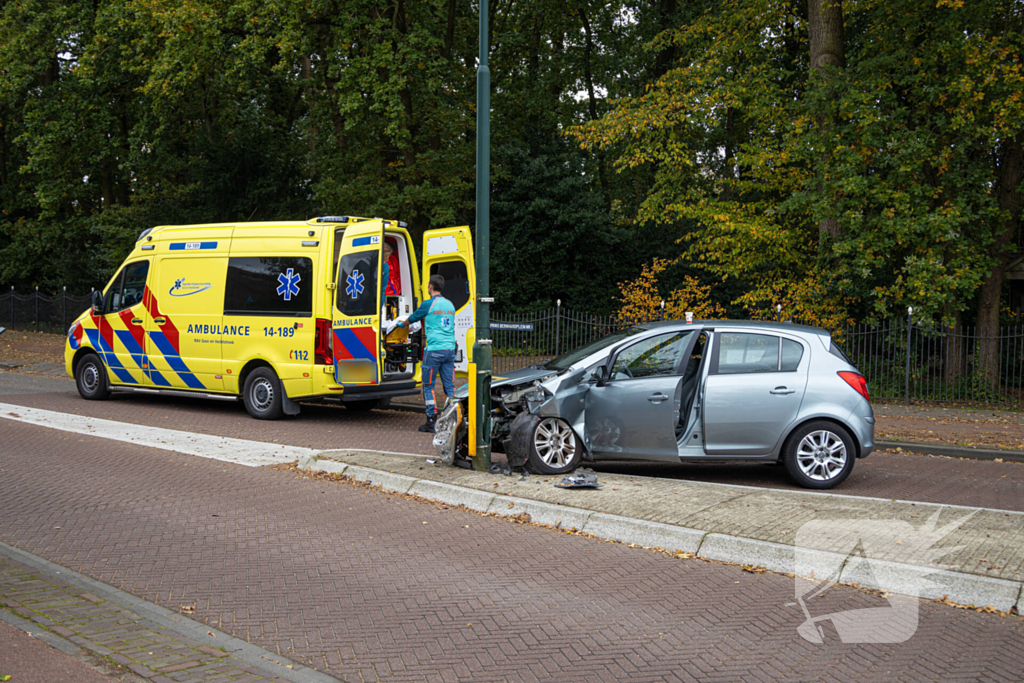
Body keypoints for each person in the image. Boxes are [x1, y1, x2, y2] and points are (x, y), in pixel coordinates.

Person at [397, 274, 455, 433]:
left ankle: (431, 419)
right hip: (450, 350)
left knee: (428, 386)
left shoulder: (428, 304)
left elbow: (413, 318)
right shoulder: (450, 305)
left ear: (430, 286)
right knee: (450, 387)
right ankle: (454, 417)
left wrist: (401, 324)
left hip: (434, 351)